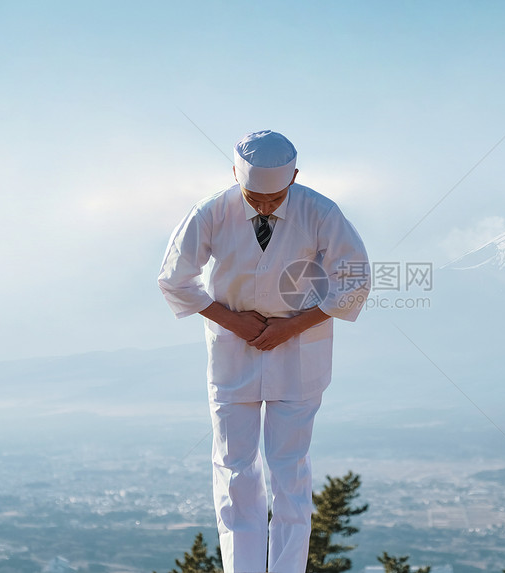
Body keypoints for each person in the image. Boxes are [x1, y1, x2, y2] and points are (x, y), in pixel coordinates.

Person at [157, 130, 370, 573]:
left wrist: (291, 326)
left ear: (294, 176)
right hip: (232, 349)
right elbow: (175, 279)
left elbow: (355, 280)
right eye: (254, 197)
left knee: (290, 471)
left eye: (276, 197)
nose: (265, 206)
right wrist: (233, 320)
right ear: (235, 175)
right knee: (235, 469)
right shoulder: (210, 212)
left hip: (299, 351)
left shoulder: (321, 212)